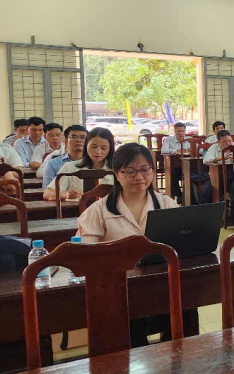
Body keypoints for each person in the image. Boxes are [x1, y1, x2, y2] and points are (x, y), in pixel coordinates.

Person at [75, 143, 198, 346]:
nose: (139, 177)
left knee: (188, 305)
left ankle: (179, 357)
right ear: (116, 174)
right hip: (120, 290)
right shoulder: (99, 210)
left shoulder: (166, 204)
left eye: (145, 170)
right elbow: (85, 254)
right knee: (131, 324)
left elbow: (184, 243)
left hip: (161, 283)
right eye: (130, 171)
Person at [44, 127, 115, 201]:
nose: (98, 152)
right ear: (86, 145)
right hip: (77, 208)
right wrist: (66, 194)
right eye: (93, 147)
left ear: (110, 149)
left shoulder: (116, 170)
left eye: (103, 148)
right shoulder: (70, 167)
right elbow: (47, 193)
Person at [40, 125, 86, 189]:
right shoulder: (53, 164)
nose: (79, 140)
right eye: (74, 137)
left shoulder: (93, 162)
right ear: (66, 141)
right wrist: (66, 194)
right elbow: (46, 190)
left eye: (83, 137)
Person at [200, 130, 234, 203]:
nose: (228, 143)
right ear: (218, 142)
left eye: (230, 141)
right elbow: (205, 160)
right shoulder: (214, 147)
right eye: (224, 141)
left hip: (233, 176)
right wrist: (221, 158)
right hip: (216, 177)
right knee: (206, 192)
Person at [160, 122, 190, 201]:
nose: (181, 133)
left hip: (188, 165)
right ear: (175, 131)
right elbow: (163, 150)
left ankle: (191, 197)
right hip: (174, 166)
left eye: (183, 131)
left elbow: (199, 150)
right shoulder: (169, 140)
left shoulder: (189, 139)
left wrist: (192, 150)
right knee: (173, 174)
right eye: (179, 131)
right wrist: (176, 150)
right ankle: (179, 195)